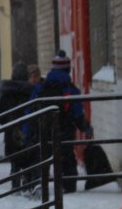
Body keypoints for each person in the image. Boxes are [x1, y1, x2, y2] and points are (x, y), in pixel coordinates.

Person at [23, 50, 93, 194]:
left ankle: (38, 184)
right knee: (66, 159)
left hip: (43, 131)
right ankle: (68, 187)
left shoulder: (41, 88)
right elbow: (77, 113)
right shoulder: (71, 90)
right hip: (64, 132)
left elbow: (30, 111)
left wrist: (27, 132)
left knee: (41, 158)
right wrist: (86, 128)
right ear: (67, 69)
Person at [0, 61, 35, 190]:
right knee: (28, 161)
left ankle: (15, 185)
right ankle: (28, 185)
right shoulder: (31, 92)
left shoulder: (7, 93)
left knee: (15, 162)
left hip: (11, 133)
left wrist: (8, 123)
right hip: (28, 131)